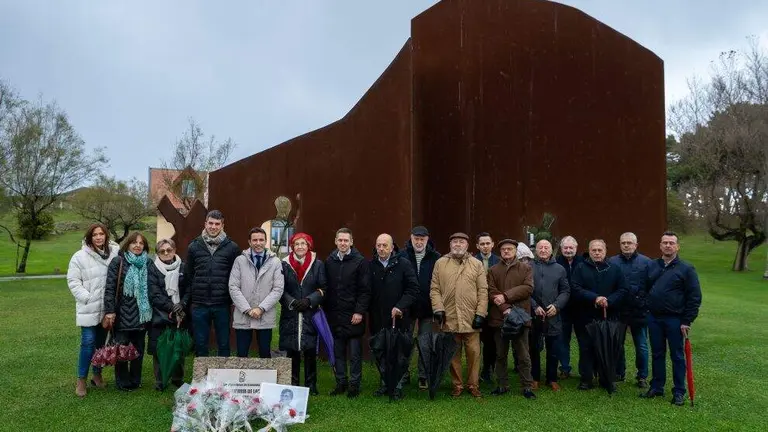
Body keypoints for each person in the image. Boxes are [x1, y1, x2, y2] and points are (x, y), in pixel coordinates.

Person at [641, 231, 702, 406]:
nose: (668, 245)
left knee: (677, 356)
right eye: (665, 242)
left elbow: (694, 296)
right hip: (654, 319)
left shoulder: (687, 269)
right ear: (660, 245)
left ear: (677, 246)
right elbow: (643, 289)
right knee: (657, 354)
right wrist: (647, 308)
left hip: (675, 320)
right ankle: (657, 387)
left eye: (671, 243)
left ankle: (679, 391)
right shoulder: (652, 266)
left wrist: (687, 320)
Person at [103, 231, 164, 391]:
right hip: (122, 313)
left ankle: (135, 380)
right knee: (122, 348)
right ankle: (123, 382)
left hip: (143, 314)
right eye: (134, 242)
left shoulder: (149, 263)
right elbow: (109, 288)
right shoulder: (118, 261)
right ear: (127, 244)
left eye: (141, 243)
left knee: (138, 349)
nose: (137, 245)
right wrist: (109, 311)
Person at [431, 232, 488, 398]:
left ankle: (473, 385)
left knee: (474, 354)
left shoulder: (476, 264)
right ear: (450, 245)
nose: (458, 244)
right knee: (453, 355)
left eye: (461, 242)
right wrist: (438, 309)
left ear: (467, 245)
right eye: (455, 242)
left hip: (471, 317)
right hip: (450, 316)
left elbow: (483, 291)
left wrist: (480, 313)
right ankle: (457, 385)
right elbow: (434, 289)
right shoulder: (440, 263)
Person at [67, 223, 120, 397]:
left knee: (100, 344)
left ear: (106, 236)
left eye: (101, 234)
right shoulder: (79, 256)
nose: (98, 237)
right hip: (89, 307)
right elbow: (73, 281)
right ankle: (81, 379)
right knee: (88, 342)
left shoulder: (114, 254)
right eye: (95, 235)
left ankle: (97, 375)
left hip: (107, 308)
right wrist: (87, 297)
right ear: (90, 237)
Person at [181, 210, 240, 357]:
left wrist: (231, 298)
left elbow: (236, 275)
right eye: (211, 223)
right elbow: (189, 274)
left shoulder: (232, 247)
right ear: (205, 223)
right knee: (200, 343)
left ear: (222, 225)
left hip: (222, 303)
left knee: (224, 343)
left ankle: (223, 377)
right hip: (200, 303)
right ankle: (202, 379)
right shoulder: (194, 246)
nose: (213, 227)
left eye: (217, 224)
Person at [571, 239, 628, 392]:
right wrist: (594, 298)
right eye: (594, 250)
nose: (597, 253)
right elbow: (575, 288)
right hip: (585, 316)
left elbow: (623, 289)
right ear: (589, 251)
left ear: (605, 251)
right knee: (586, 348)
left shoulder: (615, 269)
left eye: (599, 250)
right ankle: (586, 379)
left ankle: (606, 378)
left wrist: (609, 300)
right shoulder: (580, 268)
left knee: (606, 348)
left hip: (608, 316)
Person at [369, 233, 420, 400]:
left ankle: (396, 385)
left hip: (398, 318)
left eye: (385, 245)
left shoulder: (403, 264)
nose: (382, 249)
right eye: (379, 245)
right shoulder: (371, 265)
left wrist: (400, 306)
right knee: (381, 351)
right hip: (378, 317)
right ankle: (385, 383)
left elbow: (413, 289)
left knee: (397, 353)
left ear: (392, 247)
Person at [486, 239, 536, 399]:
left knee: (523, 355)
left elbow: (528, 288)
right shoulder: (493, 270)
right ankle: (502, 385)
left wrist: (506, 296)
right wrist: (505, 308)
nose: (506, 251)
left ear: (516, 251)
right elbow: (491, 291)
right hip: (499, 318)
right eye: (504, 250)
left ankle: (527, 386)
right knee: (500, 354)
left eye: (510, 249)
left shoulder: (526, 269)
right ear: (500, 252)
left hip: (520, 318)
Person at [324, 228, 371, 398]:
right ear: (335, 241)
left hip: (353, 315)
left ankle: (354, 385)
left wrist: (359, 311)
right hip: (335, 315)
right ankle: (341, 382)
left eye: (346, 240)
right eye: (340, 240)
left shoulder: (360, 262)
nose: (343, 243)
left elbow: (365, 290)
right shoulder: (329, 261)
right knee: (338, 352)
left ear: (351, 242)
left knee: (355, 354)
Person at [278, 233, 326, 395]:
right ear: (292, 246)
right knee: (292, 349)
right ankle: (293, 383)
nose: (300, 247)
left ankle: (311, 384)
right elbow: (279, 288)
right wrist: (292, 302)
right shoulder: (283, 264)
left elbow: (323, 288)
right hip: (291, 313)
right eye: (297, 244)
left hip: (309, 313)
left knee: (310, 349)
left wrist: (309, 300)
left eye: (303, 244)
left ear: (308, 246)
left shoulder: (317, 264)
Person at [397, 225, 441, 390]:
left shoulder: (436, 257)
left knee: (425, 343)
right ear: (411, 238)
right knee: (405, 343)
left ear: (427, 239)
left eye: (422, 239)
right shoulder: (402, 255)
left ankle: (424, 376)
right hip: (407, 308)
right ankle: (403, 374)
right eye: (416, 238)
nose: (419, 242)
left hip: (428, 307)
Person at [229, 227, 284, 358]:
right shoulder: (240, 261)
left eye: (261, 240)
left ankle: (264, 379)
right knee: (242, 354)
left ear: (266, 241)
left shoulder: (275, 262)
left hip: (265, 315)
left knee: (265, 353)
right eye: (255, 240)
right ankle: (242, 378)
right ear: (249, 242)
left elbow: (278, 289)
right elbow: (233, 287)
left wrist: (261, 308)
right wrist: (247, 309)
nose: (258, 243)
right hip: (243, 314)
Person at [607, 232, 653, 388]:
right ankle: (620, 372)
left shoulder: (647, 262)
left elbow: (651, 287)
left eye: (629, 243)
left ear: (636, 244)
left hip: (638, 311)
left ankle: (642, 376)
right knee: (618, 344)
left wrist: (643, 302)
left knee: (641, 345)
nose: (626, 245)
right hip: (618, 311)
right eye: (623, 243)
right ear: (620, 244)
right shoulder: (612, 262)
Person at [530, 239, 570, 391]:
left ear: (551, 250)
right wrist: (534, 306)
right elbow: (526, 290)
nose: (543, 250)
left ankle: (551, 379)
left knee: (553, 349)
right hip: (535, 315)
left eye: (547, 247)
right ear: (536, 250)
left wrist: (557, 306)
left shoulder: (559, 269)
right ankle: (534, 378)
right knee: (534, 348)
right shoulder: (528, 267)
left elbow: (566, 291)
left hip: (553, 314)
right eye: (540, 247)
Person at [149, 238, 186, 391]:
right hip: (161, 314)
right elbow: (154, 293)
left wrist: (182, 305)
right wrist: (173, 307)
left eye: (169, 250)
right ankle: (160, 380)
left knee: (178, 346)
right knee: (160, 348)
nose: (166, 253)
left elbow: (189, 288)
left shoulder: (183, 267)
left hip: (181, 312)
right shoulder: (153, 268)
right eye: (162, 251)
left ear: (174, 250)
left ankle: (178, 378)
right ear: (158, 253)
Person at [555, 235, 583, 379]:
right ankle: (565, 368)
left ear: (576, 248)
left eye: (571, 247)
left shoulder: (583, 262)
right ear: (561, 249)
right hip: (563, 308)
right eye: (565, 247)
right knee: (563, 339)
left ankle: (584, 369)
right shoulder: (556, 262)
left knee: (583, 339)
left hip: (580, 308)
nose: (568, 250)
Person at [474, 232, 500, 383]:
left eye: (487, 243)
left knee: (491, 342)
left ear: (492, 244)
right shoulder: (471, 261)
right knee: (476, 340)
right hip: (475, 306)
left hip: (493, 307)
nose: (485, 246)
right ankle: (474, 371)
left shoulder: (498, 261)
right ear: (477, 246)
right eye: (482, 244)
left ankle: (488, 369)